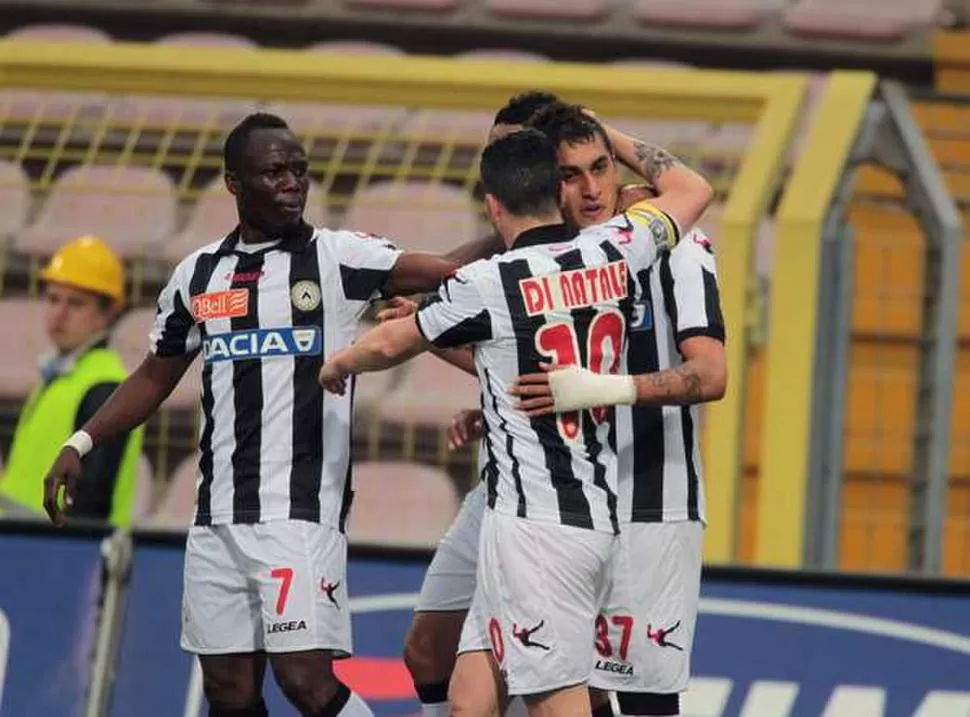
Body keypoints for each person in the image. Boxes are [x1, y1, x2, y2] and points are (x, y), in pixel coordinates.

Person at [40, 112, 502, 717]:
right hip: (217, 517)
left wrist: (513, 227)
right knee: (228, 692)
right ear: (234, 183)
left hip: (300, 511)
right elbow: (156, 373)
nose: (292, 183)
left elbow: (441, 269)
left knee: (305, 680)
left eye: (300, 171)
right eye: (274, 171)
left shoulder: (337, 258)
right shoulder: (198, 277)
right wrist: (81, 442)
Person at [318, 128, 685, 717]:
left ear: (492, 205)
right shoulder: (617, 250)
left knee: (554, 704)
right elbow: (692, 189)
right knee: (469, 700)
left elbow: (392, 343)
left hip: (539, 525)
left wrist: (336, 364)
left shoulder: (490, 282)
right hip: (569, 509)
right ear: (556, 191)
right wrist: (609, 134)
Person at [0, 235, 143, 526]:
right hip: (26, 547)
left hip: (61, 554)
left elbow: (92, 498)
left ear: (107, 314)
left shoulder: (105, 386)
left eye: (76, 304)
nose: (59, 314)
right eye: (53, 299)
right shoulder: (62, 377)